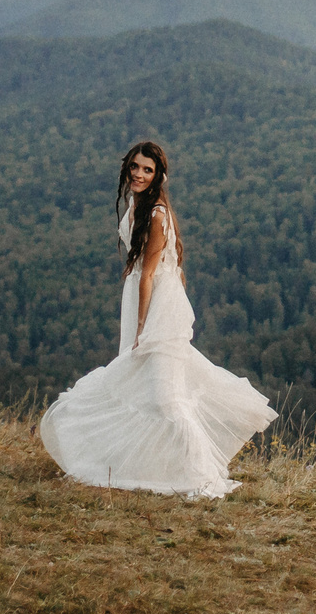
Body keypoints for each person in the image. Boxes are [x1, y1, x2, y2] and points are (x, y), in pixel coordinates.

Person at [38, 139, 276, 497]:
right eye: (135, 166)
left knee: (166, 396)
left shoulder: (157, 215)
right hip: (140, 297)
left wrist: (142, 327)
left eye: (147, 169)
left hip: (155, 307)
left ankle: (198, 476)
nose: (138, 174)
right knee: (138, 384)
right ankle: (137, 463)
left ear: (158, 175)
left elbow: (151, 273)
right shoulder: (137, 204)